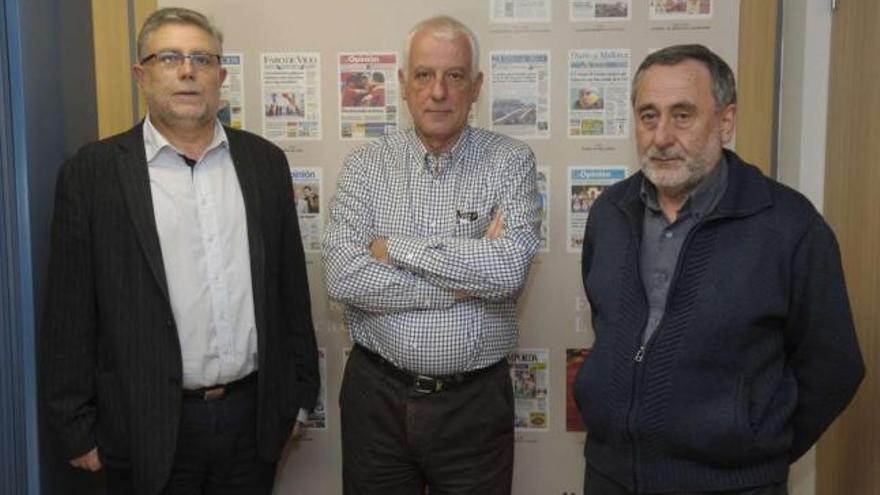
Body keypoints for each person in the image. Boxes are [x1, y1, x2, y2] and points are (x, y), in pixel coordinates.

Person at [41, 7, 320, 495]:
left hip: (251, 420)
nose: (188, 71)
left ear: (220, 76)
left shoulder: (264, 165)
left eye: (202, 59)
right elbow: (69, 313)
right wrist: (74, 427)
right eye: (169, 57)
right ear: (140, 74)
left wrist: (296, 399)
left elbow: (289, 291)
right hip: (143, 422)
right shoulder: (94, 174)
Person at [574, 44, 864, 495]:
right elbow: (609, 325)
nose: (662, 136)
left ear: (725, 122)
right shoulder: (610, 213)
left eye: (683, 115)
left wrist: (757, 445)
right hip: (610, 477)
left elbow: (835, 365)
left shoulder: (789, 226)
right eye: (649, 116)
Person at [322, 15, 541, 494]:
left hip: (474, 404)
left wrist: (394, 248)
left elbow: (507, 270)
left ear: (476, 85)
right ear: (403, 84)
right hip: (376, 395)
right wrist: (463, 279)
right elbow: (342, 277)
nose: (438, 91)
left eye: (454, 76)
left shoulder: (511, 161)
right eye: (424, 75)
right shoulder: (365, 166)